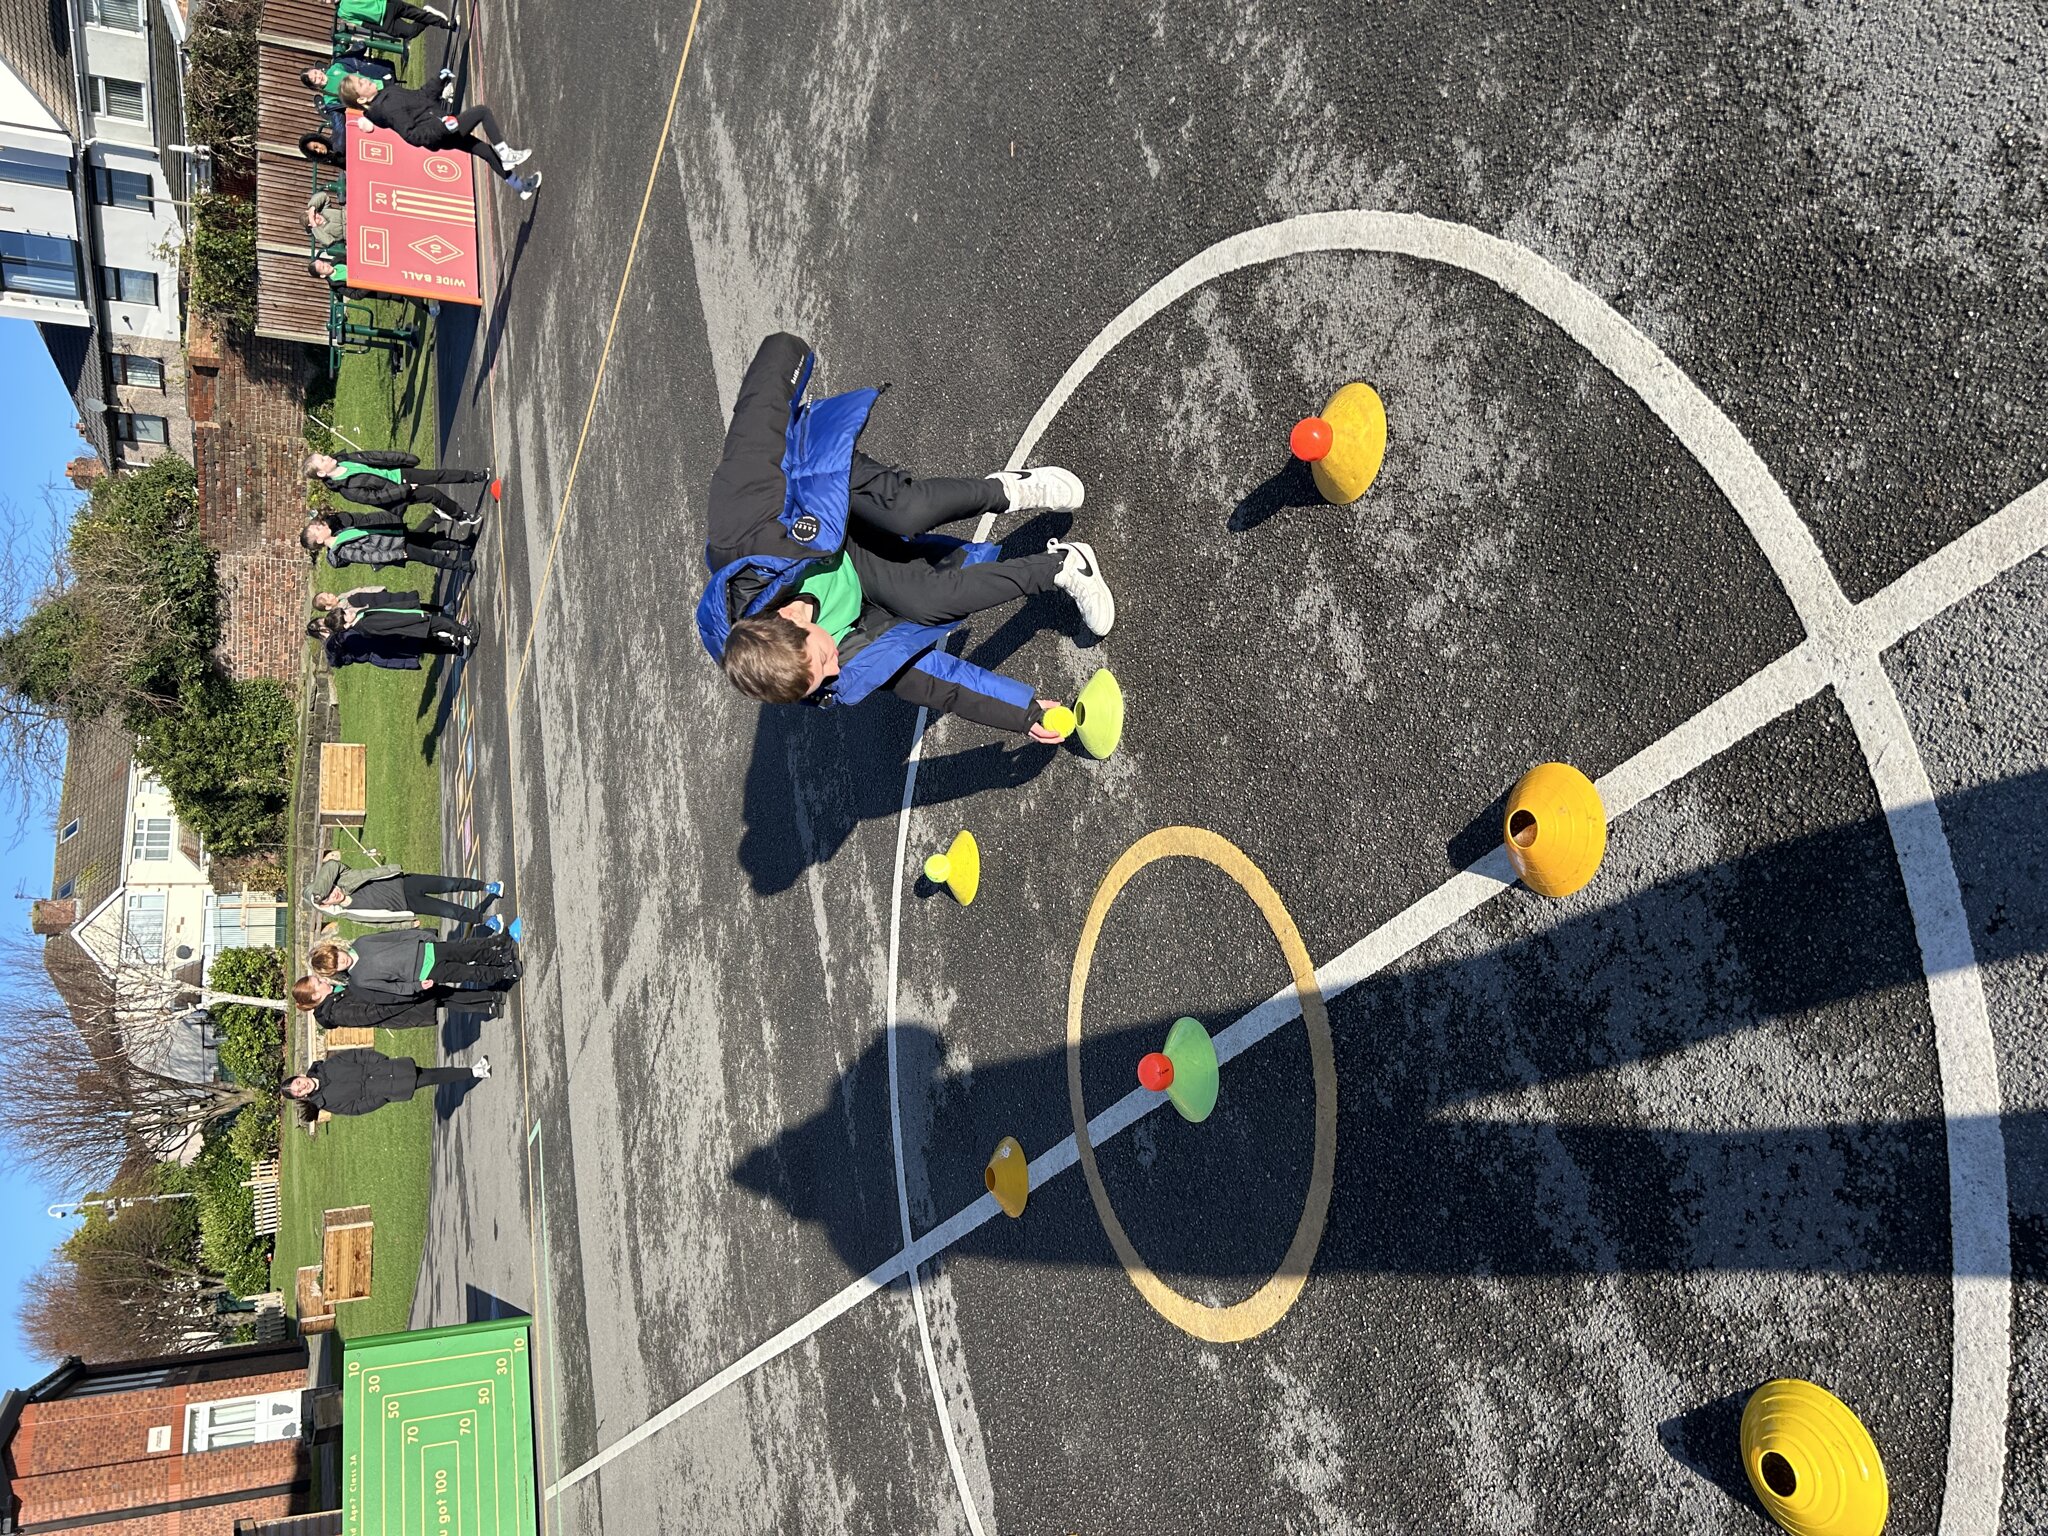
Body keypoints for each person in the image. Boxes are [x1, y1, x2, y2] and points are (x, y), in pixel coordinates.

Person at [698, 332, 1115, 738]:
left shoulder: (744, 537)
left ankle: (1008, 490)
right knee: (932, 601)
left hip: (824, 491)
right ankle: (1063, 566)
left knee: (906, 512)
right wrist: (1024, 714)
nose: (833, 670)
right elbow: (931, 681)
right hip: (855, 562)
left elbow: (754, 429)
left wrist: (787, 351)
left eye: (823, 659)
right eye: (820, 679)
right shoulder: (811, 673)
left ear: (789, 619)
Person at [338, 74, 541, 199]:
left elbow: (421, 97)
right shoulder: (387, 107)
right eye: (361, 83)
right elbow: (412, 135)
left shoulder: (388, 94)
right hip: (442, 131)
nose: (366, 80)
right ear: (362, 99)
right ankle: (506, 154)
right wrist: (442, 128)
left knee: (485, 151)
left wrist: (439, 80)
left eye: (361, 78)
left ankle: (520, 187)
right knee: (482, 112)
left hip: (443, 127)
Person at [283, 1047, 487, 1123]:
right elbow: (356, 1108)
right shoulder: (326, 1102)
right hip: (385, 1089)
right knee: (428, 1078)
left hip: (384, 1068)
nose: (302, 1087)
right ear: (302, 1097)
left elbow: (356, 1055)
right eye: (298, 1091)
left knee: (429, 1073)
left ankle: (473, 1072)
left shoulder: (326, 1066)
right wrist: (380, 1098)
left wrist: (379, 1060)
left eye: (298, 1083)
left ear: (300, 1076)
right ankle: (475, 1072)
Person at [308, 927, 522, 998]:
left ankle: (500, 957)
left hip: (427, 949)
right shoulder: (360, 979)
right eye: (337, 965)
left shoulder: (362, 942)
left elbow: (396, 936)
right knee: (468, 973)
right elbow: (394, 988)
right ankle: (504, 974)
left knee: (467, 951)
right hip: (426, 972)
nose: (342, 961)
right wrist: (417, 986)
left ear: (336, 948)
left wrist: (421, 935)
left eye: (337, 956)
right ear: (335, 972)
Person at [302, 852, 501, 924]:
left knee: (450, 884)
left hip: (406, 883)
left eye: (329, 888)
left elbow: (331, 865)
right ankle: (486, 920)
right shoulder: (348, 912)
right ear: (326, 905)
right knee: (449, 911)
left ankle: (486, 887)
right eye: (328, 897)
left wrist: (319, 892)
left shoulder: (345, 878)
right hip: (408, 905)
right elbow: (377, 922)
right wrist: (405, 924)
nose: (334, 893)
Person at [302, 450, 495, 521]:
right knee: (434, 494)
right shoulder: (347, 490)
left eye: (322, 455)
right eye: (322, 460)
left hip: (398, 473)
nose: (327, 456)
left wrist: (402, 457)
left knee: (437, 475)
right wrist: (404, 489)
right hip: (399, 492)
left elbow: (374, 456)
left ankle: (474, 476)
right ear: (321, 473)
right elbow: (378, 498)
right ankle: (461, 516)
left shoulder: (344, 459)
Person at [293, 972, 505, 1025]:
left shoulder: (336, 994)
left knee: (444, 995)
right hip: (400, 1006)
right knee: (445, 998)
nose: (323, 980)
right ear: (316, 995)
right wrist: (403, 999)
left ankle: (488, 1000)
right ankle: (489, 1003)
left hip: (398, 998)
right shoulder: (337, 1012)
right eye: (318, 982)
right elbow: (372, 1014)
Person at [303, 511, 477, 572]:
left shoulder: (340, 533)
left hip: (394, 536)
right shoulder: (342, 550)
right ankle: (463, 566)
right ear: (319, 540)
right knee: (430, 557)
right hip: (396, 548)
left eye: (317, 524)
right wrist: (397, 554)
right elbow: (370, 557)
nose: (320, 525)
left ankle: (462, 545)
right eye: (317, 529)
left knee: (428, 540)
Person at [311, 605, 474, 667]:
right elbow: (391, 622)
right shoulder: (364, 625)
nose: (348, 611)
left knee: (430, 643)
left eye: (345, 611)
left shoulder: (359, 626)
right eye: (345, 614)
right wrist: (414, 617)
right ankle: (466, 632)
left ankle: (457, 648)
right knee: (437, 624)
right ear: (345, 626)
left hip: (402, 641)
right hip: (406, 631)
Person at [335, 0, 453, 40]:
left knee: (417, 14)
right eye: (326, 0)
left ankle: (446, 24)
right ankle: (427, 13)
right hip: (384, 22)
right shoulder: (341, 12)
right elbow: (362, 23)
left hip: (388, 5)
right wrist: (379, 28)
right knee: (410, 33)